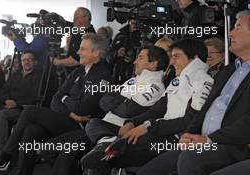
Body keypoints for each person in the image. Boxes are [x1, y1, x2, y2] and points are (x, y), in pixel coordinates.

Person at [136, 10, 250, 175]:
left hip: (230, 145)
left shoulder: (203, 78)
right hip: (198, 140)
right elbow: (203, 111)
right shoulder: (227, 71)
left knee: (190, 160)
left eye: (238, 27)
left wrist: (209, 139)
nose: (230, 32)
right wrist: (189, 133)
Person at [81, 38, 214, 174]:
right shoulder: (175, 81)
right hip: (156, 132)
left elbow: (191, 120)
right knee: (97, 136)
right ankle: (106, 145)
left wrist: (148, 126)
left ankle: (107, 147)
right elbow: (155, 111)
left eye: (176, 56)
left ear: (195, 58)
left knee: (109, 157)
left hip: (174, 139)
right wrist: (133, 123)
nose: (172, 62)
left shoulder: (204, 82)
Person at [0, 33, 112, 175]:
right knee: (31, 130)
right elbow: (55, 100)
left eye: (83, 49)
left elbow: (82, 109)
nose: (77, 52)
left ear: (96, 53)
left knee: (30, 112)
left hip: (82, 127)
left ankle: (4, 157)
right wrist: (69, 107)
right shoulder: (78, 71)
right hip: (68, 119)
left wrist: (65, 100)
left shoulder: (103, 76)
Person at [40, 44, 169, 175]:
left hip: (119, 131)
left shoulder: (156, 86)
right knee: (52, 148)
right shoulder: (132, 80)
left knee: (76, 146)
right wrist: (122, 99)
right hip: (103, 128)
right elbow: (104, 102)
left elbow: (127, 111)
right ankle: (104, 141)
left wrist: (118, 99)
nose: (135, 61)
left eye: (140, 58)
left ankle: (105, 143)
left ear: (153, 64)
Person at [0, 51, 40, 154]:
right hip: (7, 104)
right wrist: (7, 100)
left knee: (2, 115)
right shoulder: (16, 75)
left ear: (35, 62)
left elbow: (35, 98)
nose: (27, 62)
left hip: (23, 109)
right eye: (24, 60)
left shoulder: (38, 77)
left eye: (30, 59)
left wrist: (16, 103)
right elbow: (2, 91)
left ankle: (1, 154)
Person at [52, 7, 95, 72]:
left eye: (76, 17)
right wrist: (53, 16)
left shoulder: (88, 36)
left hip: (80, 75)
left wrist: (57, 62)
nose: (74, 20)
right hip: (72, 74)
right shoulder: (78, 29)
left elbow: (76, 60)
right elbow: (65, 24)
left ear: (86, 18)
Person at [109, 19, 141, 84]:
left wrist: (135, 56)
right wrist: (117, 53)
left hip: (136, 78)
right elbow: (108, 57)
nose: (135, 26)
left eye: (137, 23)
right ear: (129, 21)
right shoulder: (119, 36)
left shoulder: (144, 36)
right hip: (117, 77)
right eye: (133, 23)